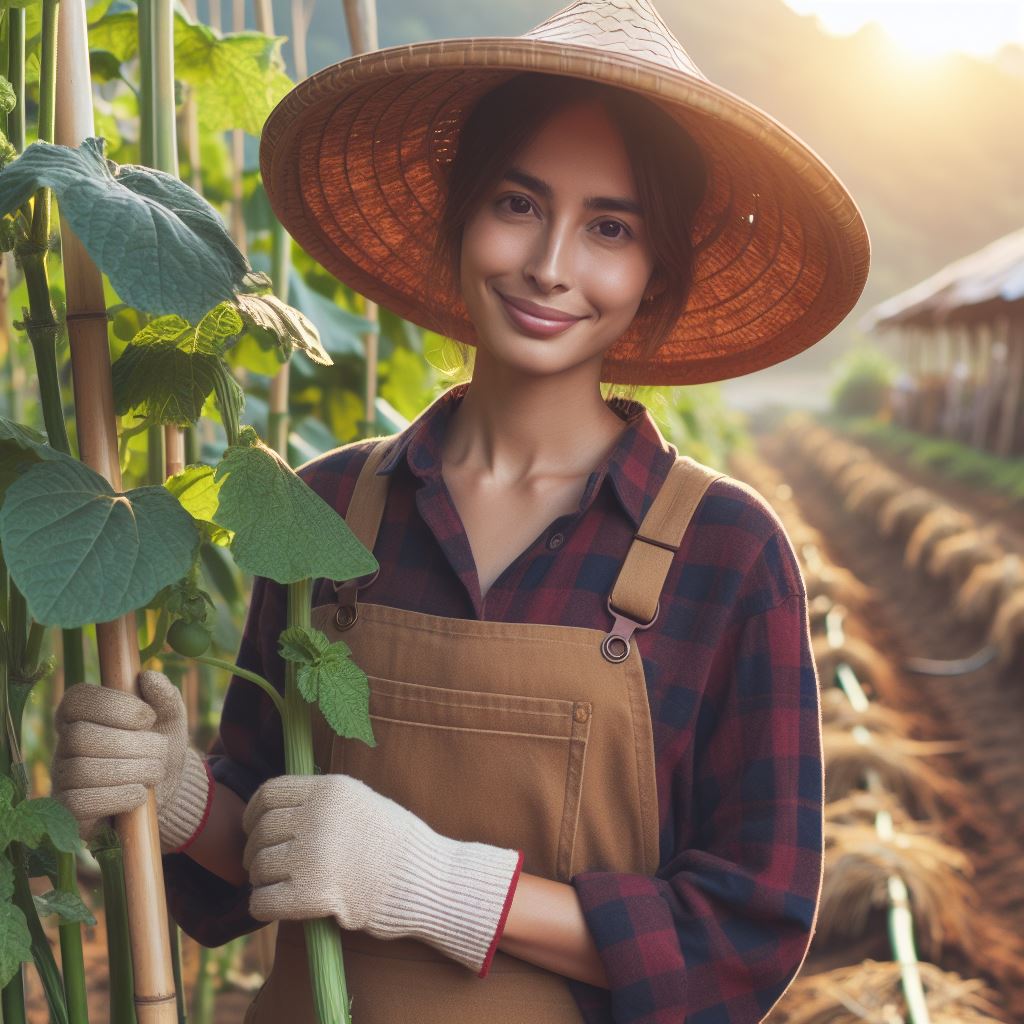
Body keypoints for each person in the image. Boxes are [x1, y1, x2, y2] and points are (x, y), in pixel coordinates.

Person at [51, 1, 869, 1021]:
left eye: (610, 227)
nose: (551, 263)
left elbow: (744, 936)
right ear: (459, 213)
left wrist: (443, 886)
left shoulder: (726, 552)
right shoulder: (331, 506)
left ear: (656, 271)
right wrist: (172, 794)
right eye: (518, 204)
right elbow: (264, 846)